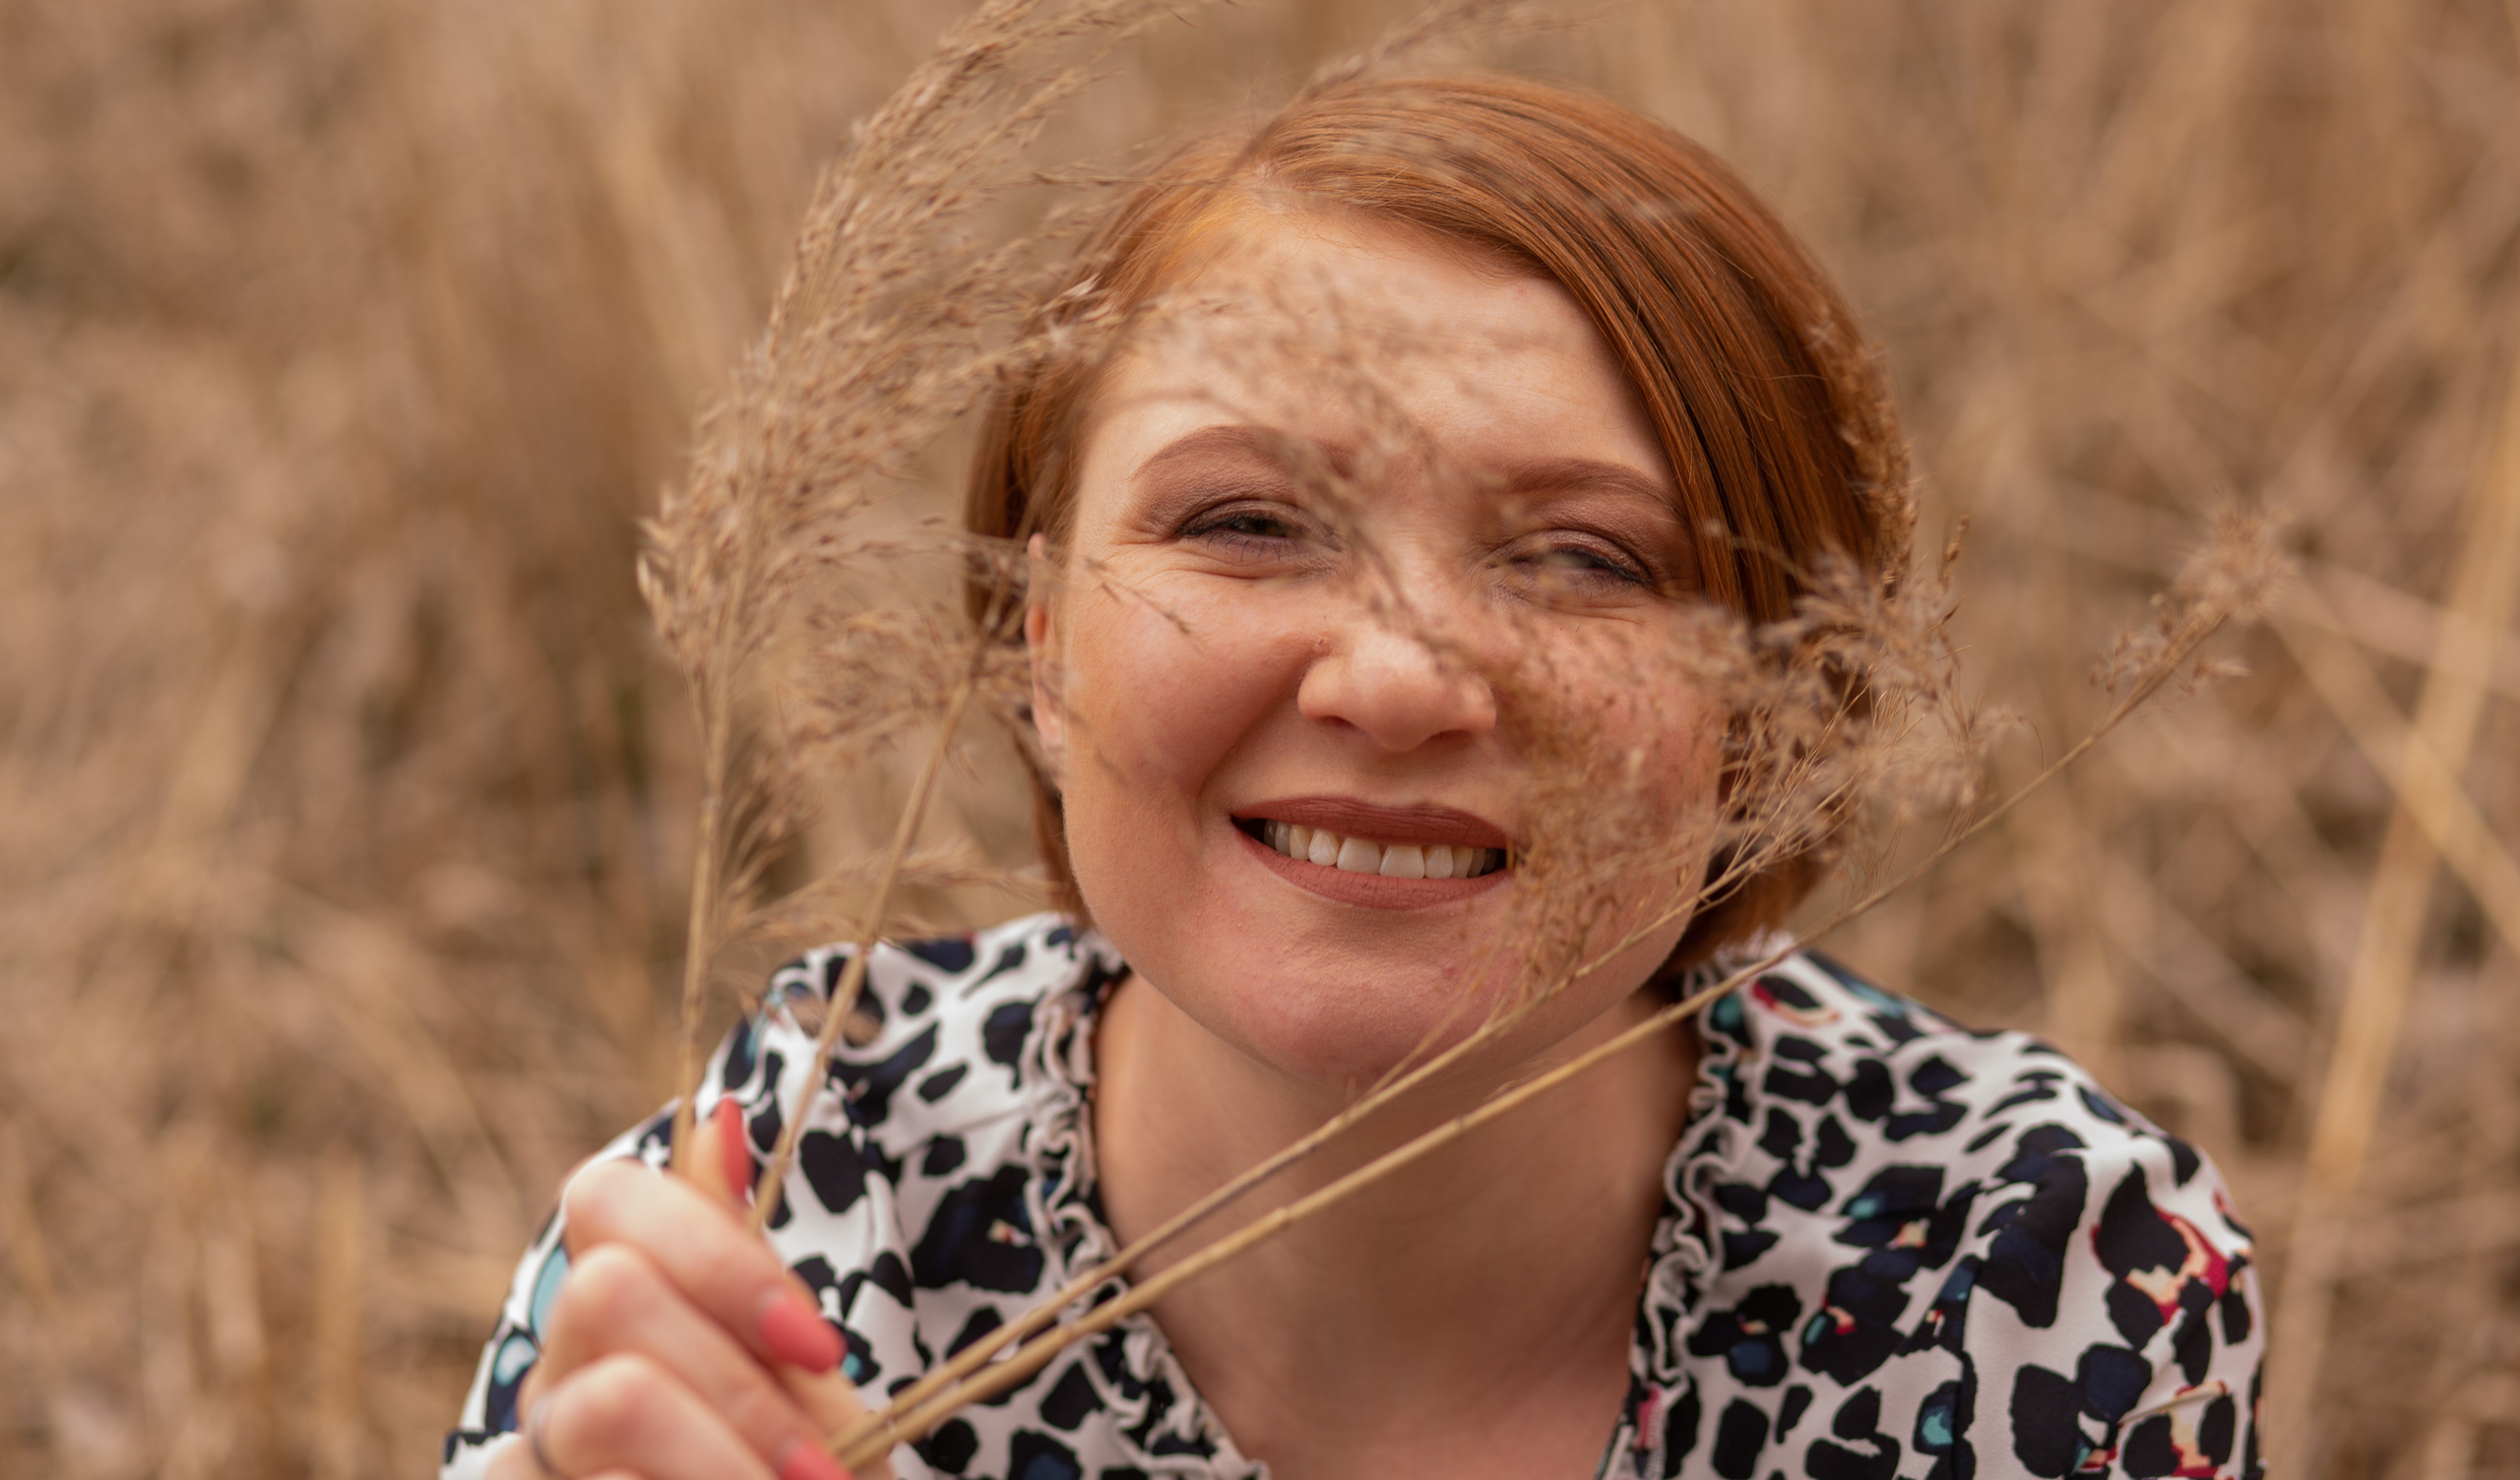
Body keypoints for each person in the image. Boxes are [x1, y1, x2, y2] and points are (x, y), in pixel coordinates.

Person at [442, 76, 2265, 1480]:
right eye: (1244, 524)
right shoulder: (773, 1232)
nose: (1393, 682)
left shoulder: (2022, 1271)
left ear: (1776, 721)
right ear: (1036, 644)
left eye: (1584, 558)